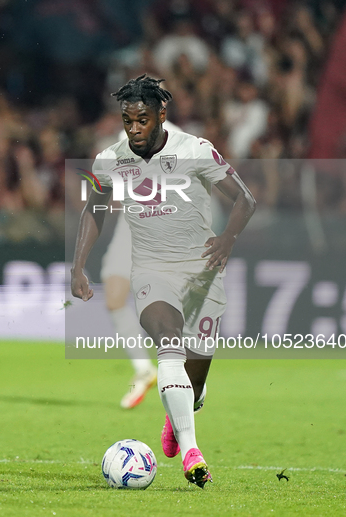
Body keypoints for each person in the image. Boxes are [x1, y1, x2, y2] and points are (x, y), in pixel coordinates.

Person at [71, 75, 255, 488]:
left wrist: (227, 239)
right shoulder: (110, 158)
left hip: (202, 273)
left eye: (142, 120)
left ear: (161, 115)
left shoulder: (195, 150)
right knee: (167, 342)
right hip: (151, 270)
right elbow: (94, 211)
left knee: (195, 381)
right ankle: (192, 451)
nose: (133, 129)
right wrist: (77, 265)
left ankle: (180, 415)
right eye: (127, 121)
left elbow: (246, 199)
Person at [103, 119, 183, 409]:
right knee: (114, 298)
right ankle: (144, 369)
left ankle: (181, 374)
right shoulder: (122, 136)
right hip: (130, 226)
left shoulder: (178, 139)